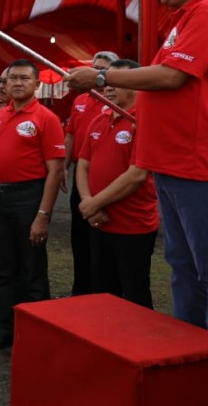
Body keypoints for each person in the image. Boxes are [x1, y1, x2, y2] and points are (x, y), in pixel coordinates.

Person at [64, 0, 208, 396]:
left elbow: (171, 77)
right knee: (183, 268)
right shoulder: (182, 21)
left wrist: (102, 76)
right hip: (169, 162)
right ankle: (192, 361)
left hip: (195, 163)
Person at [0, 59, 66, 352]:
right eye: (12, 78)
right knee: (5, 268)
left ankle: (36, 333)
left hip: (29, 199)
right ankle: (5, 329)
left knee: (32, 268)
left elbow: (55, 172)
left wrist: (43, 215)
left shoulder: (46, 119)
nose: (17, 83)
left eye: (25, 78)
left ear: (37, 85)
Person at [76, 59, 158, 309]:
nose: (109, 87)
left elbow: (137, 175)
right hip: (99, 221)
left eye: (116, 81)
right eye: (106, 81)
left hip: (132, 226)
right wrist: (88, 203)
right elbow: (82, 165)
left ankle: (140, 347)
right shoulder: (99, 119)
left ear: (135, 85)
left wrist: (92, 204)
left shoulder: (145, 122)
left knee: (134, 294)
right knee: (101, 292)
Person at [64, 50, 117, 296]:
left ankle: (102, 292)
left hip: (108, 177)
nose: (96, 72)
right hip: (80, 174)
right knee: (80, 236)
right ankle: (80, 290)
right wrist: (64, 167)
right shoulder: (80, 100)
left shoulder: (116, 101)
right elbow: (71, 135)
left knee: (103, 238)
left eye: (102, 69)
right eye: (94, 67)